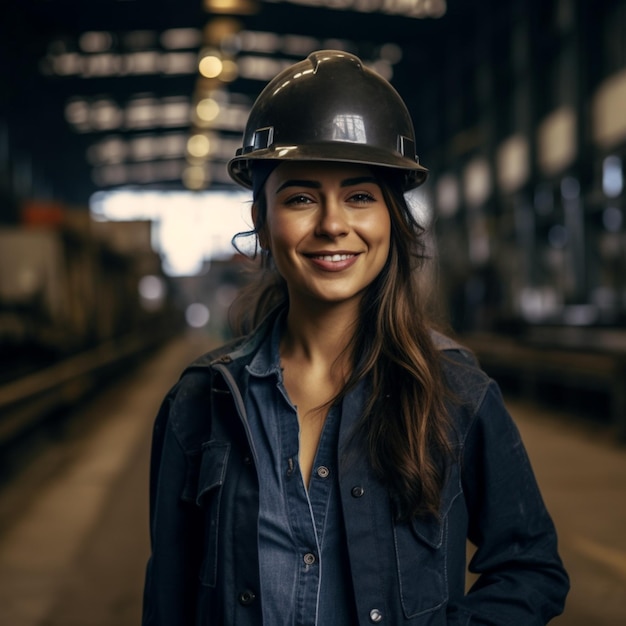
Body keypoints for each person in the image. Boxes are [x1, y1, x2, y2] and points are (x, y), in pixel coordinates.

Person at [142, 50, 569, 625]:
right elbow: (169, 599)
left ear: (392, 217)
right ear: (262, 221)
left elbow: (532, 568)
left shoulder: (456, 394)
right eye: (300, 198)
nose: (332, 224)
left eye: (360, 196)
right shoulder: (201, 405)